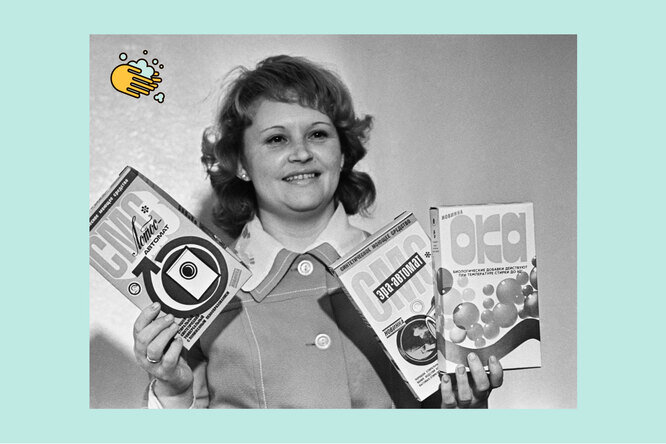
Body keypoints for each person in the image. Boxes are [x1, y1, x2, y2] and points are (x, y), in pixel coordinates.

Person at [132, 55, 503, 408]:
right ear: (242, 163)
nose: (301, 153)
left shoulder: (417, 271)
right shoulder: (202, 291)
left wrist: (465, 410)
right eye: (276, 139)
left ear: (342, 154)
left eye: (318, 134)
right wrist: (173, 394)